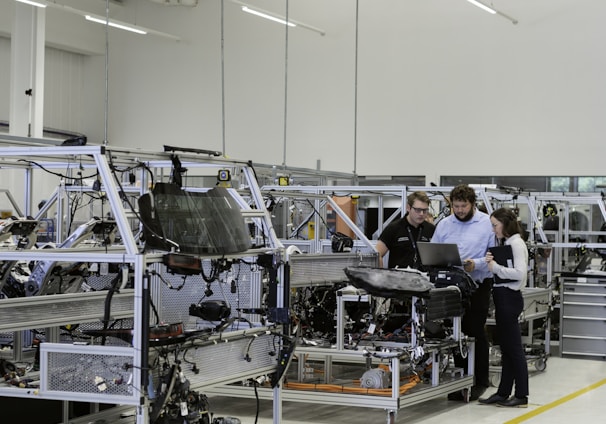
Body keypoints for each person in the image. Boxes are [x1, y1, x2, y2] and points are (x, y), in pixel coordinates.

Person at [431, 184, 494, 401]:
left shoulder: (486, 223)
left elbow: (493, 255)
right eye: (456, 206)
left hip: (478, 284)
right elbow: (433, 251)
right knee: (456, 334)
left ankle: (480, 381)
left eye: (463, 206)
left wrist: (474, 264)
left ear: (472, 204)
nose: (459, 210)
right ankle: (461, 380)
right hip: (452, 287)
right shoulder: (444, 224)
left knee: (474, 330)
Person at [479, 208, 529, 407]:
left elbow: (520, 274)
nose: (493, 230)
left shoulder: (516, 244)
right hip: (503, 297)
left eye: (495, 225)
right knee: (507, 349)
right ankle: (503, 392)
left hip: (509, 298)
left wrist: (495, 268)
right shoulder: (507, 243)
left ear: (505, 224)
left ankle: (522, 395)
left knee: (514, 349)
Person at [376, 191, 435, 270]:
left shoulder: (431, 229)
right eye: (417, 210)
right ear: (408, 208)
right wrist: (380, 274)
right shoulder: (394, 228)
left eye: (425, 210)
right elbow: (377, 254)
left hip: (424, 277)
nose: (421, 214)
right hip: (399, 278)